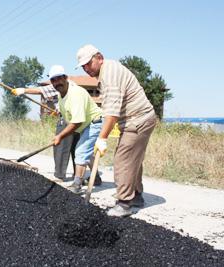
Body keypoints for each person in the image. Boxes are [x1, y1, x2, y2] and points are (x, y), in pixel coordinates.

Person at [76, 44, 157, 217]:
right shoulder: (108, 70)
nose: (86, 69)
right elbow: (108, 108)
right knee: (133, 159)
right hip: (140, 118)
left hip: (137, 120)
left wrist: (102, 138)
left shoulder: (110, 75)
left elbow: (112, 113)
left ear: (99, 57)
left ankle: (124, 203)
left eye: (88, 64)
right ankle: (136, 196)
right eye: (83, 66)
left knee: (123, 160)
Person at [15, 65, 103, 193]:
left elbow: (77, 121)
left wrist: (60, 136)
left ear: (65, 78)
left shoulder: (76, 93)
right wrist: (57, 112)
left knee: (80, 151)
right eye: (53, 80)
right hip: (85, 123)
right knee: (86, 151)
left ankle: (77, 184)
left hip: (94, 122)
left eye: (59, 79)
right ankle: (96, 178)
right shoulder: (61, 96)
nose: (57, 83)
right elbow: (67, 113)